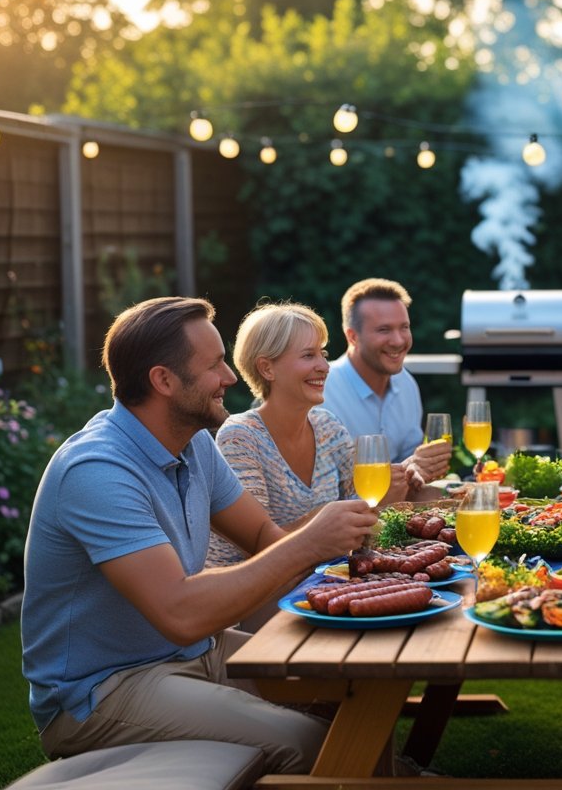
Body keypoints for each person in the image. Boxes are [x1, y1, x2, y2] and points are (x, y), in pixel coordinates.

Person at [21, 297, 377, 774]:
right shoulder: (97, 471)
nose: (231, 377)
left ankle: (404, 781)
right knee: (304, 739)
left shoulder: (195, 446)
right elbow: (181, 612)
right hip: (103, 688)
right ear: (164, 381)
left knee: (348, 682)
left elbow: (262, 534)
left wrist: (352, 566)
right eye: (215, 365)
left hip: (194, 651)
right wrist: (312, 540)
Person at [208, 302, 409, 628]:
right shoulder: (241, 437)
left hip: (320, 586)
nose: (324, 366)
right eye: (308, 356)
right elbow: (256, 548)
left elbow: (362, 524)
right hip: (249, 606)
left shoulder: (327, 426)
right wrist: (329, 518)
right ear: (267, 368)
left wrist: (396, 488)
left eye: (323, 354)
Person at [322, 278, 450, 492]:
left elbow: (410, 462)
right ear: (352, 336)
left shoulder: (407, 384)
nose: (399, 341)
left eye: (404, 327)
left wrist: (422, 466)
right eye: (384, 330)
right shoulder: (321, 391)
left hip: (390, 516)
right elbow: (322, 488)